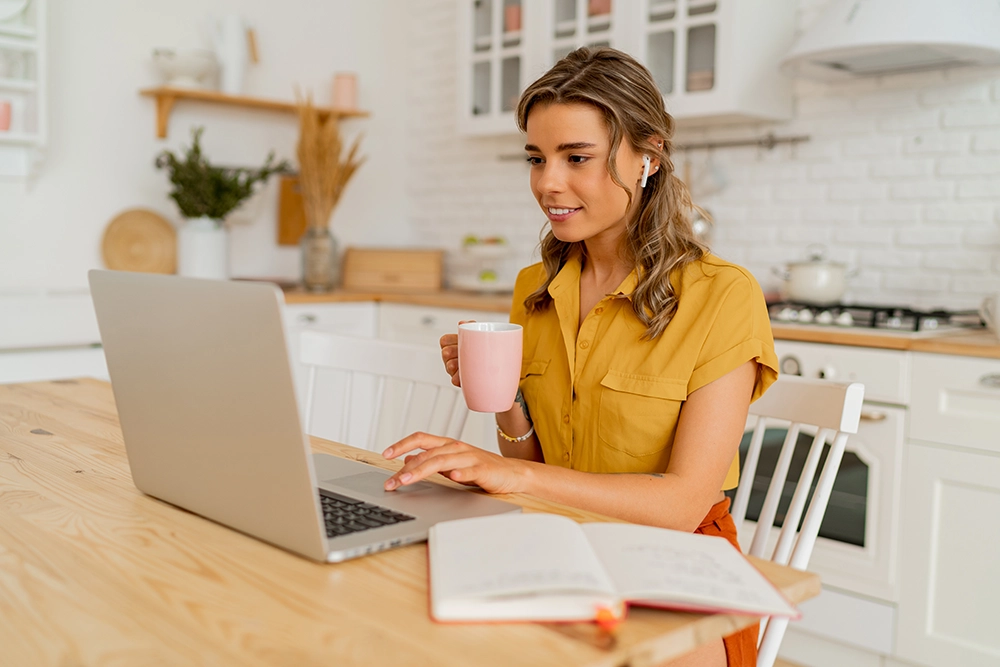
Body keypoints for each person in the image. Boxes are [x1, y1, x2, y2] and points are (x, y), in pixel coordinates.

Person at [382, 46, 778, 667]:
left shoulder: (722, 295)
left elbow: (680, 506)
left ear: (648, 156)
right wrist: (508, 402)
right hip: (554, 536)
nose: (548, 183)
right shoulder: (533, 288)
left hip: (676, 560)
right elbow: (534, 461)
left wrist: (513, 475)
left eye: (577, 158)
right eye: (536, 159)